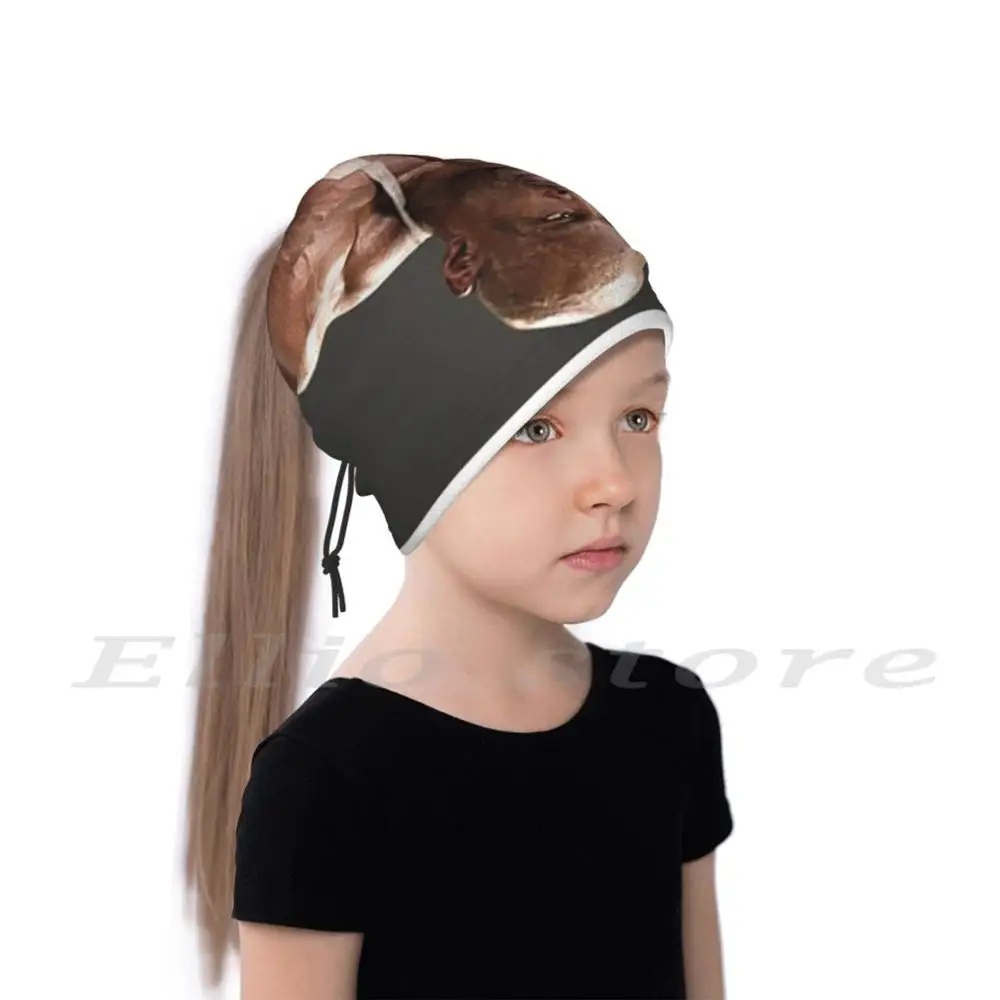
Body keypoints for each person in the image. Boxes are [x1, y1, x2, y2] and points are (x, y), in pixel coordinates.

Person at [183, 152, 735, 999]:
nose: (615, 484)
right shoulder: (328, 781)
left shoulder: (667, 720)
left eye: (638, 417)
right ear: (405, 453)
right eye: (537, 429)